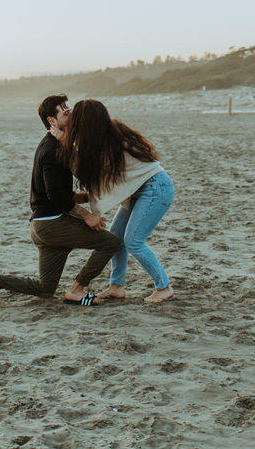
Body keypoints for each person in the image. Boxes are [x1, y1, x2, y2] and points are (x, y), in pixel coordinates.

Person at [0, 95, 120, 307]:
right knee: (110, 243)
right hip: (52, 224)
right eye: (65, 112)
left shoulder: (56, 145)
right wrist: (87, 216)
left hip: (42, 226)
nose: (70, 114)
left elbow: (56, 194)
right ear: (52, 121)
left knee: (45, 289)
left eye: (70, 109)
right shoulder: (53, 150)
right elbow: (56, 196)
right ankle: (77, 290)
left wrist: (86, 197)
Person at [55, 99, 175, 303]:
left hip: (155, 188)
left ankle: (164, 287)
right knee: (116, 239)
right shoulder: (106, 134)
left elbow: (84, 167)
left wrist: (62, 139)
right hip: (142, 190)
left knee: (133, 241)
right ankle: (117, 286)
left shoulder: (107, 141)